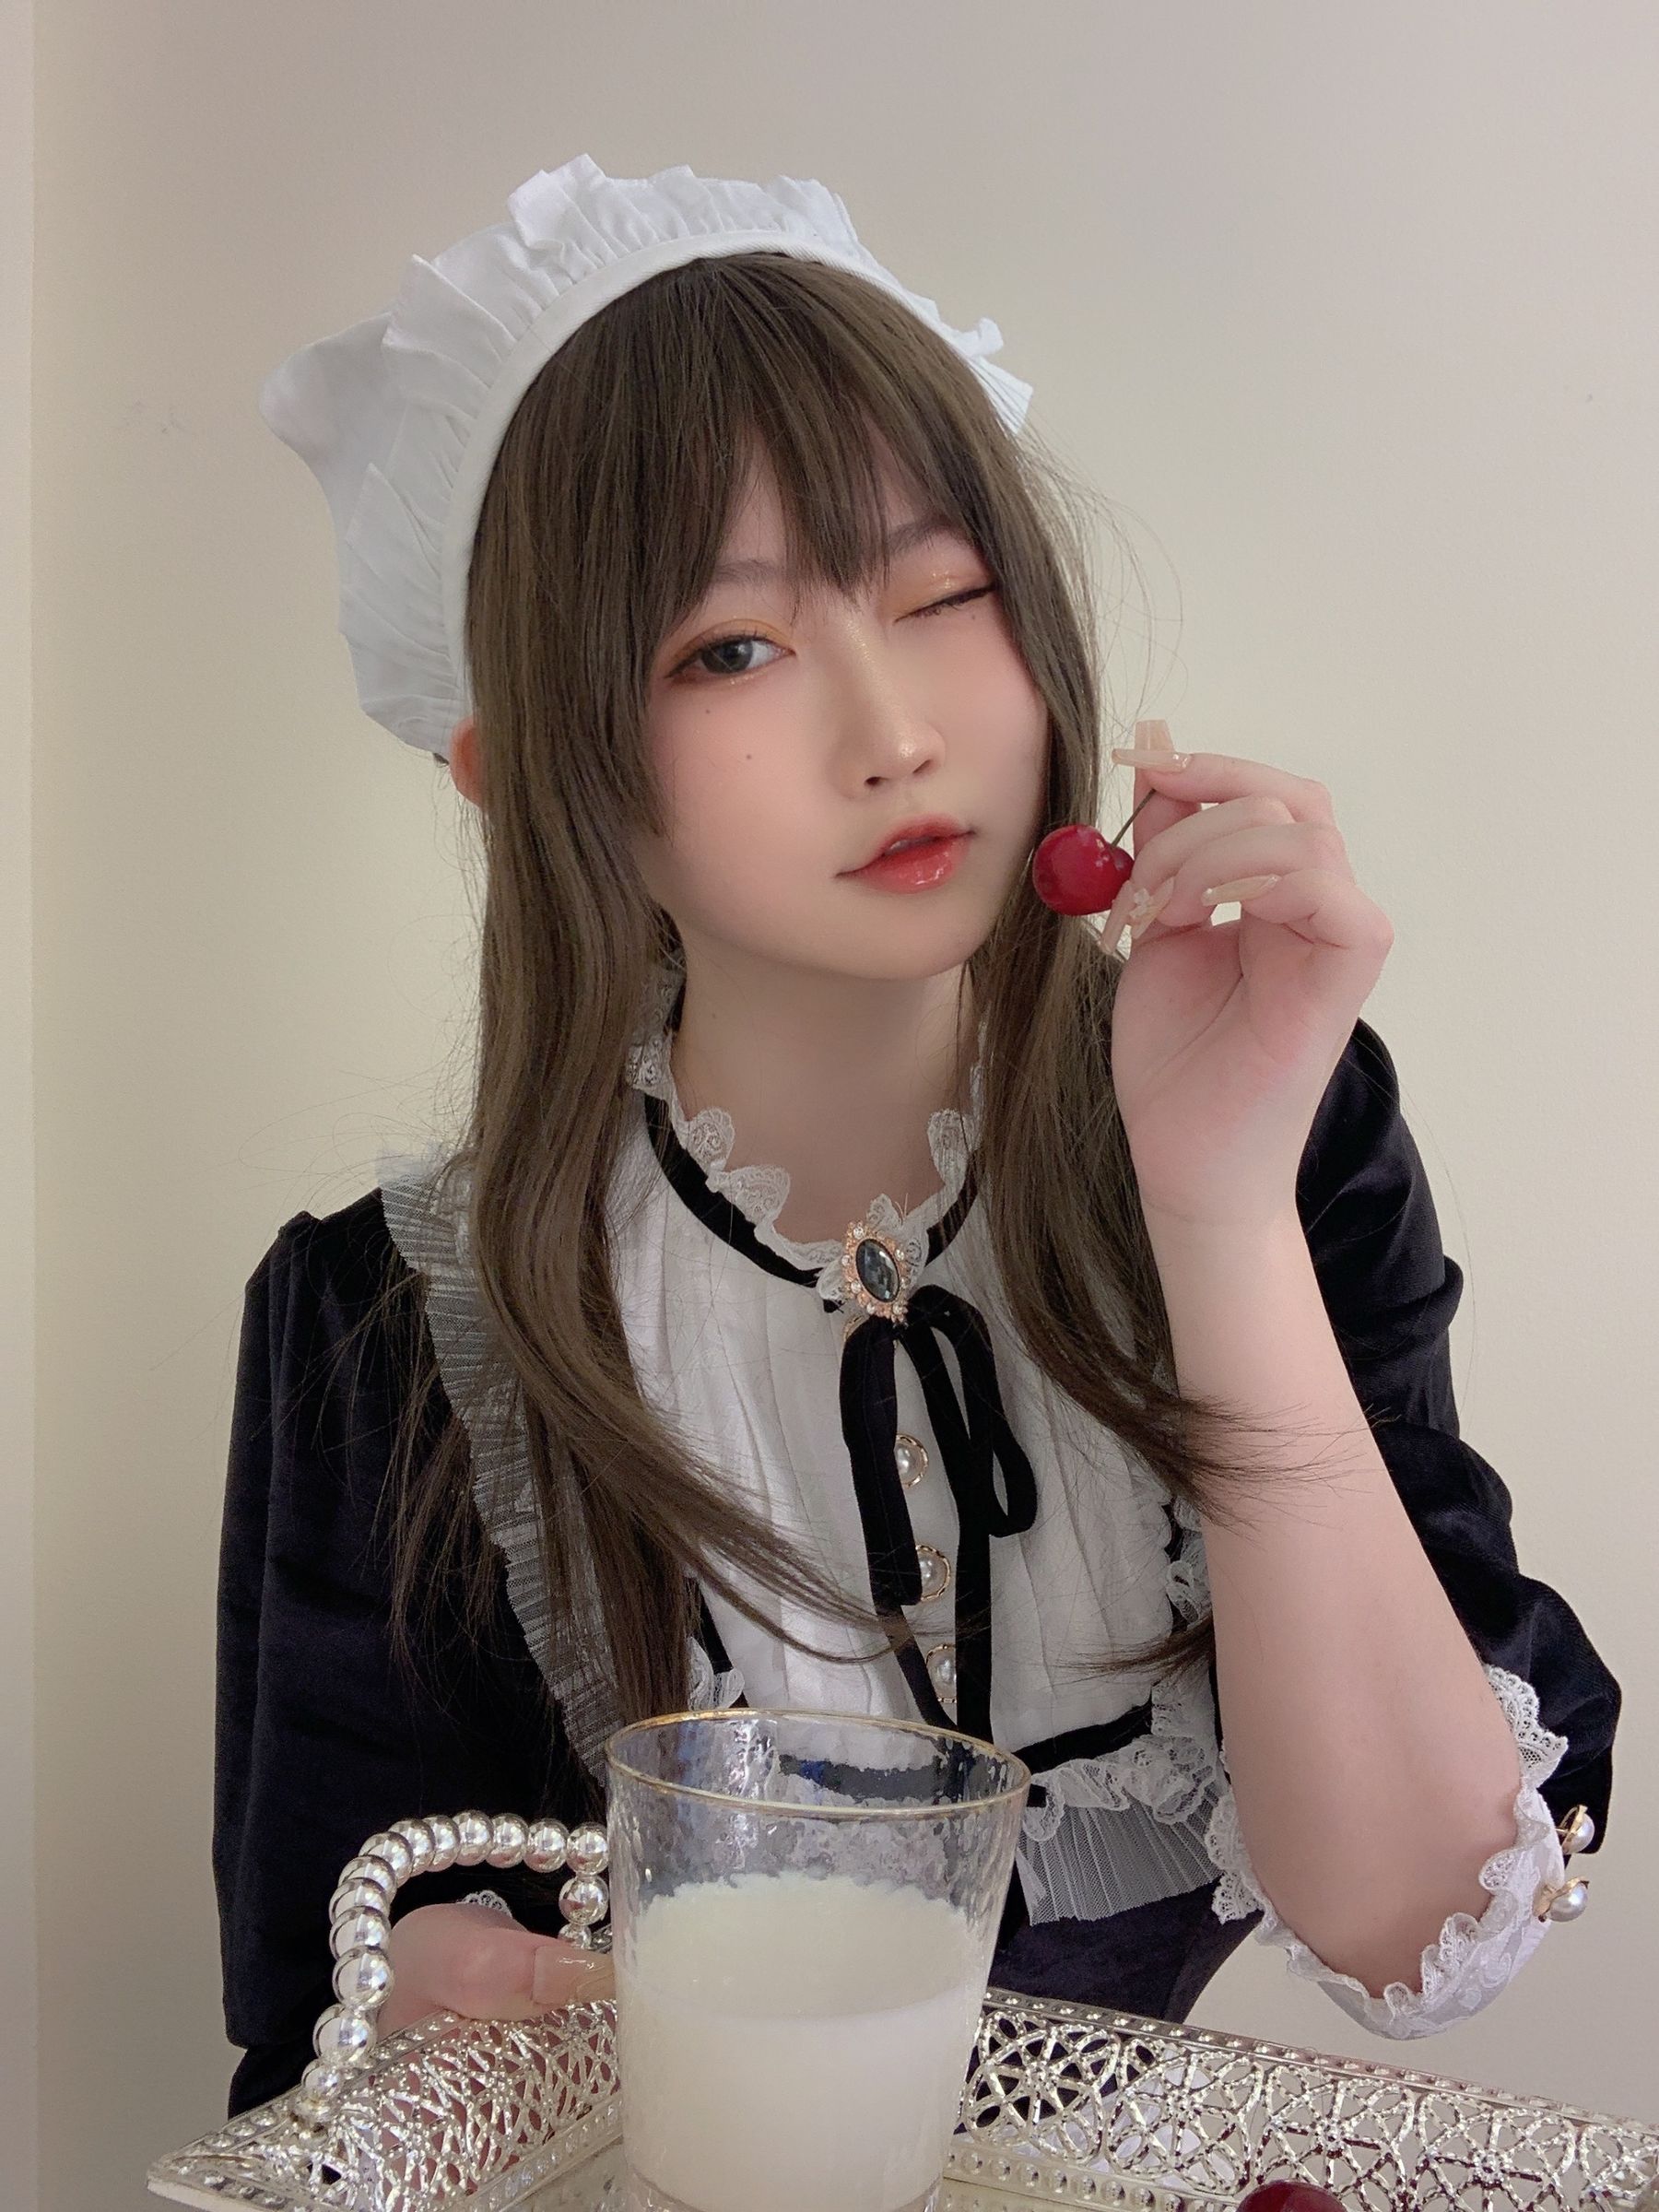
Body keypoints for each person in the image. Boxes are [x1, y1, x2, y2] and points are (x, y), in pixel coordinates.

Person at [217, 156, 1618, 2118]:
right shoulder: (388, 1329)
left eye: (944, 593)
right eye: (731, 648)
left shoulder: (1279, 1126)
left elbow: (1416, 1930)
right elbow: (323, 2036)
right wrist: (434, 2017)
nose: (893, 732)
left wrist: (1216, 1208)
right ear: (521, 769)